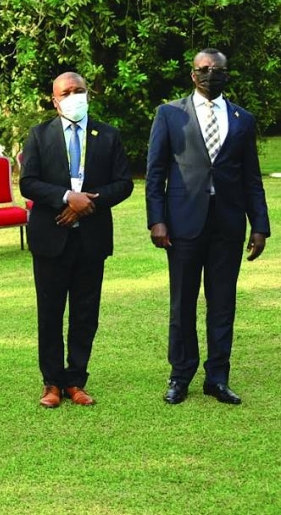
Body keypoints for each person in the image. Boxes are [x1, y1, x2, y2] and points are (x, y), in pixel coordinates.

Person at [146, 49, 270, 405]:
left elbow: (251, 178)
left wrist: (259, 225)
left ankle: (217, 377)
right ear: (192, 74)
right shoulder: (170, 114)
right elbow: (155, 173)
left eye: (217, 69)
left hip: (228, 225)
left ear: (227, 74)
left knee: (222, 303)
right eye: (204, 69)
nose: (210, 74)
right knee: (182, 302)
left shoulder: (242, 118)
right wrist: (157, 219)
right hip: (183, 223)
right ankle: (180, 375)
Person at [19, 72, 133, 408]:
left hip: (91, 240)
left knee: (86, 313)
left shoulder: (108, 135)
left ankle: (76, 380)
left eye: (79, 90)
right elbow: (28, 183)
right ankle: (52, 383)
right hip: (51, 236)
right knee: (50, 313)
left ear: (88, 94)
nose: (73, 96)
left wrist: (87, 205)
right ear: (54, 100)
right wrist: (68, 198)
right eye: (66, 92)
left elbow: (124, 183)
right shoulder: (39, 136)